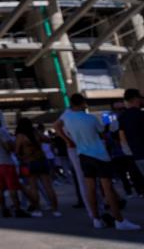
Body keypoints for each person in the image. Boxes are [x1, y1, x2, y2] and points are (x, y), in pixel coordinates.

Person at [56, 92, 139, 230]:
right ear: (83, 103)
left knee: (90, 189)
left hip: (82, 155)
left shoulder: (67, 118)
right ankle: (119, 220)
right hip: (99, 155)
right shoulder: (90, 118)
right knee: (107, 189)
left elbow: (57, 125)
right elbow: (101, 133)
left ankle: (96, 219)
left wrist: (68, 140)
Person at [15, 118, 59, 217]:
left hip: (29, 162)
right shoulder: (36, 133)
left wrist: (22, 157)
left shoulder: (21, 136)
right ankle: (55, 210)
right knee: (48, 187)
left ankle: (38, 210)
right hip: (42, 160)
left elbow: (17, 151)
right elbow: (48, 140)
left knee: (33, 187)